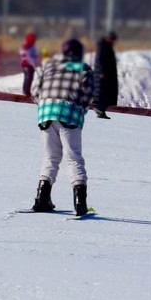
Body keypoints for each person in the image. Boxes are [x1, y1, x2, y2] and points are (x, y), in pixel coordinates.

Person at [30, 37, 96, 216]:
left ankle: (42, 199)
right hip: (69, 114)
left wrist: (46, 105)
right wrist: (79, 108)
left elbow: (35, 90)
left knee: (50, 157)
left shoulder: (47, 64)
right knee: (73, 157)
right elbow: (89, 94)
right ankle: (79, 202)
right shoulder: (84, 68)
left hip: (45, 113)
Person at [93, 31, 119, 118]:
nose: (113, 41)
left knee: (107, 93)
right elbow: (100, 60)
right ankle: (99, 108)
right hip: (103, 74)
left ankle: (101, 111)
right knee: (105, 93)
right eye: (111, 39)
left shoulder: (106, 46)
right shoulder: (103, 46)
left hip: (107, 74)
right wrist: (102, 72)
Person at [19, 32, 40, 96]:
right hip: (27, 64)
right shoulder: (26, 45)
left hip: (31, 64)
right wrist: (32, 62)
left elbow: (34, 56)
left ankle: (26, 91)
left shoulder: (32, 46)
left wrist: (37, 62)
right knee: (28, 77)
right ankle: (26, 91)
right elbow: (24, 53)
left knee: (30, 78)